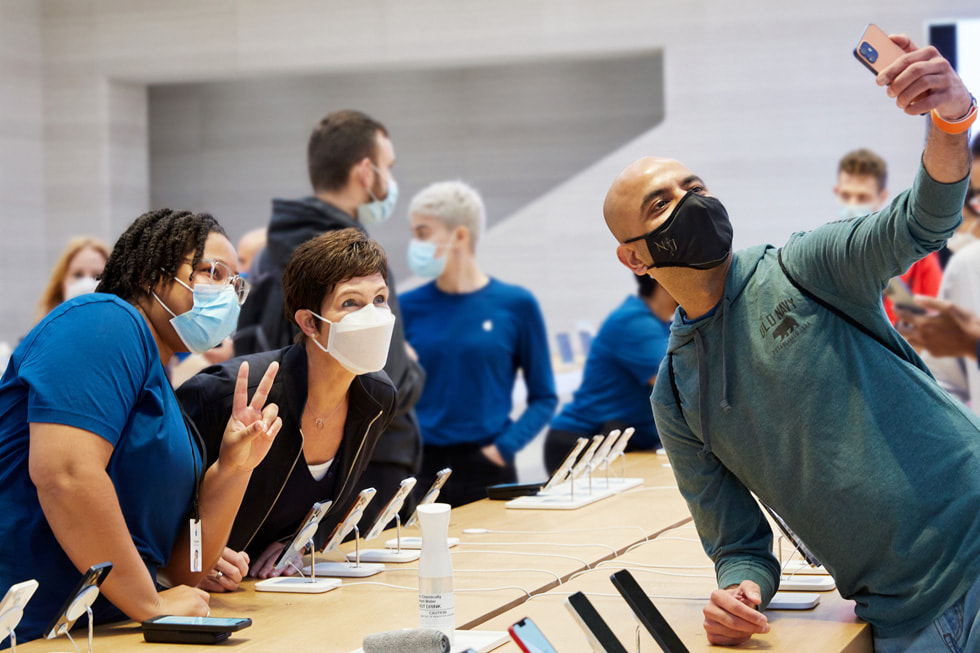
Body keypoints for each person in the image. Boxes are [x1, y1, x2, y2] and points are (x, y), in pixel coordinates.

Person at [602, 34, 980, 650]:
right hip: (904, 615)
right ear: (634, 257)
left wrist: (950, 117)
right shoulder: (675, 391)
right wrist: (740, 592)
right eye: (660, 204)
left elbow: (923, 219)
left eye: (693, 186)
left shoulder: (805, 266)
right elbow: (738, 545)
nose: (690, 203)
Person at [0, 209, 282, 642]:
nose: (226, 292)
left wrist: (233, 467)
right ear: (151, 273)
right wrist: (150, 604)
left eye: (234, 283)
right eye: (211, 272)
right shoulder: (104, 320)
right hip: (26, 628)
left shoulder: (161, 384)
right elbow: (66, 475)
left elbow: (181, 570)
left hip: (101, 629)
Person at [177, 228, 397, 586]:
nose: (372, 315)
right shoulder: (224, 392)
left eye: (380, 299)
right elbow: (154, 503)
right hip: (196, 597)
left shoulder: (376, 398)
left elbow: (329, 506)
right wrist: (192, 559)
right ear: (309, 322)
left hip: (275, 591)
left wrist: (297, 543)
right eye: (350, 303)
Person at [235, 110, 423, 528]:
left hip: (285, 460)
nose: (390, 181)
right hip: (364, 461)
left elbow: (249, 349)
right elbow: (385, 379)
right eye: (387, 168)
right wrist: (414, 368)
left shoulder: (269, 250)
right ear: (365, 171)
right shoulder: (353, 259)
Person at [400, 180, 557, 506]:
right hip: (421, 466)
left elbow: (544, 396)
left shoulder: (516, 304)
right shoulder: (405, 307)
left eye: (424, 232)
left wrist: (504, 448)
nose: (416, 243)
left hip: (489, 465)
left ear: (459, 235)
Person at [543, 273, 676, 472]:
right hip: (584, 441)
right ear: (662, 281)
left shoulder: (662, 325)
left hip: (622, 439)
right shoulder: (634, 323)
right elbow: (678, 385)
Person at [834, 148, 943, 323]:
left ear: (882, 197)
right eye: (846, 195)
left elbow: (934, 324)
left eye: (862, 198)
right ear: (836, 192)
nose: (852, 205)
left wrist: (882, 272)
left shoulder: (917, 255)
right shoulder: (825, 255)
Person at [35, 236, 110, 322]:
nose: (87, 283)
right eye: (78, 275)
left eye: (97, 276)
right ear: (61, 284)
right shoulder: (41, 335)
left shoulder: (124, 334)